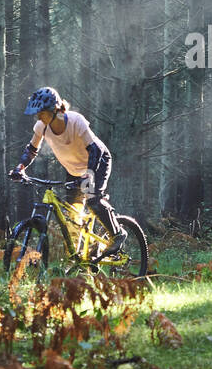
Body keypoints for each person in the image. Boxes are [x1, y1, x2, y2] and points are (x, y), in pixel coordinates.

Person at [9, 87, 127, 255]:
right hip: (73, 170)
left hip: (96, 163)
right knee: (73, 216)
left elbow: (95, 151)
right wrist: (20, 167)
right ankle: (81, 256)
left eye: (41, 112)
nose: (38, 116)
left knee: (93, 200)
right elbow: (31, 150)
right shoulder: (41, 126)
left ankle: (118, 234)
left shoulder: (75, 121)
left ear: (54, 109)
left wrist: (89, 175)